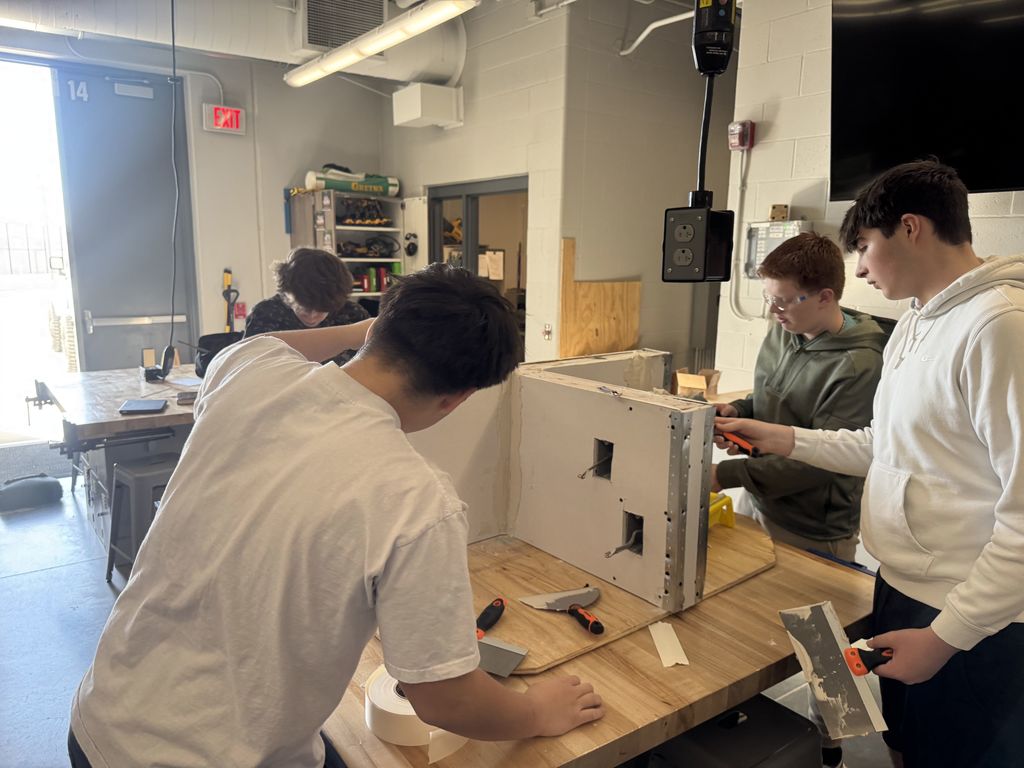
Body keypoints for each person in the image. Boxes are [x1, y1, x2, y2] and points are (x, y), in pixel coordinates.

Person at [69, 264, 604, 768]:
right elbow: (444, 700)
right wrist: (537, 710)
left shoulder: (246, 374)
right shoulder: (416, 501)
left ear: (377, 328)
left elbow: (264, 344)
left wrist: (375, 328)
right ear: (457, 399)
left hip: (101, 719)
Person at [716, 160, 1024, 768]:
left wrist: (946, 638)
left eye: (863, 246)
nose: (858, 267)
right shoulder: (915, 321)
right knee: (904, 747)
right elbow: (883, 445)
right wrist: (781, 437)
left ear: (910, 229)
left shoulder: (1000, 327)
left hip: (966, 611)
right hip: (902, 584)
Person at [712, 232, 885, 565]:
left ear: (824, 297)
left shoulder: (859, 365)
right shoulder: (785, 327)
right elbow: (774, 398)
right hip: (759, 499)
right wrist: (740, 410)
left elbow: (821, 462)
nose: (773, 310)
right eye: (769, 297)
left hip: (811, 529)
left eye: (784, 300)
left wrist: (724, 475)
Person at [244, 246, 371, 365]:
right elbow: (249, 365)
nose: (312, 317)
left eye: (322, 311)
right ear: (286, 294)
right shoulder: (266, 314)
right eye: (303, 309)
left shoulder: (353, 315)